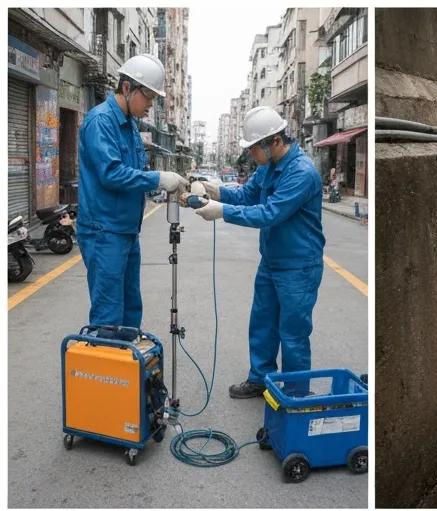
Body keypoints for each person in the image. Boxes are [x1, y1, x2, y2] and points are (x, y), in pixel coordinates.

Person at [191, 106, 325, 398]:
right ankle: (261, 378)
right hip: (272, 261)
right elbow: (247, 194)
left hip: (299, 267)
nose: (251, 153)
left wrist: (221, 212)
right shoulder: (268, 167)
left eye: (254, 147)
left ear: (274, 141)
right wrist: (215, 190)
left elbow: (269, 213)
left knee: (292, 335)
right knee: (263, 323)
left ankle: (295, 395)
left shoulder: (301, 173)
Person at [77, 54, 189, 337]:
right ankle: (107, 376)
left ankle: (127, 374)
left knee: (130, 310)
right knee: (109, 315)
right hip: (104, 231)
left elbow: (139, 173)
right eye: (148, 97)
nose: (151, 105)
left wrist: (177, 189)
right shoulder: (100, 121)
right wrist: (159, 178)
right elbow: (112, 173)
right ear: (127, 88)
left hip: (126, 230)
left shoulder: (129, 126)